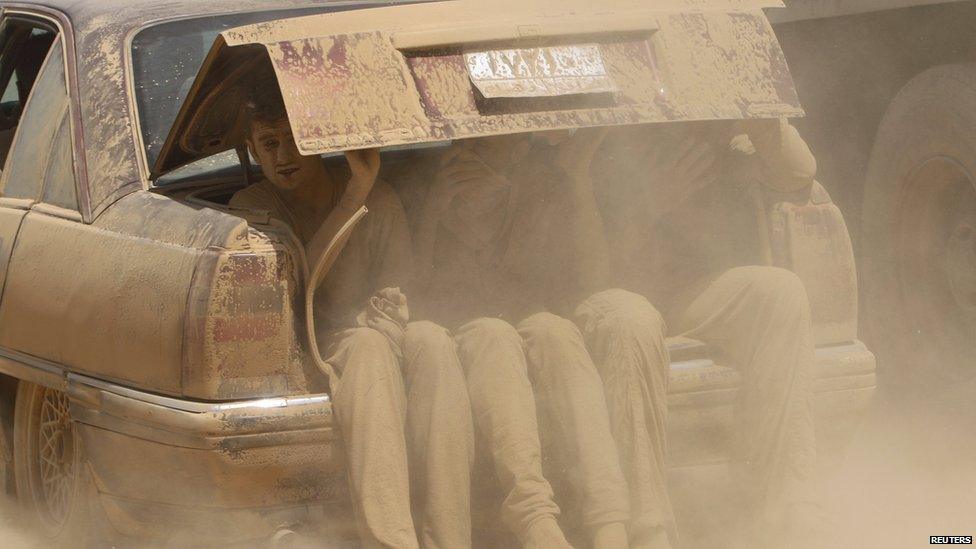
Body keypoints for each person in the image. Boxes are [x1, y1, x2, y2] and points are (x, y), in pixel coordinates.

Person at [230, 82, 474, 549]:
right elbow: (299, 287)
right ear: (253, 150)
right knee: (365, 348)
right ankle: (392, 540)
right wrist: (352, 197)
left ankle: (450, 539)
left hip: (375, 338)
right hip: (313, 347)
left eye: (296, 139)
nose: (284, 155)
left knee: (433, 341)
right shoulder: (254, 207)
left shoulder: (378, 200)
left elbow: (400, 285)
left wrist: (390, 307)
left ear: (319, 142)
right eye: (269, 143)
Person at [413, 131, 673, 549]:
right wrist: (436, 211)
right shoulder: (433, 189)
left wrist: (510, 199)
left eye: (482, 145)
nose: (464, 154)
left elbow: (573, 281)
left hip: (536, 321)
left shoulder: (541, 185)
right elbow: (416, 291)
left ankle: (612, 525)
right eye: (460, 144)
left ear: (518, 147)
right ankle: (537, 525)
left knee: (556, 333)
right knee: (494, 337)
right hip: (469, 332)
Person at [595, 118, 819, 544]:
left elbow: (800, 171)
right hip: (615, 294)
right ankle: (648, 524)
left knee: (781, 291)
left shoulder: (721, 136)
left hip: (689, 295)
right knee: (632, 318)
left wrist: (758, 114)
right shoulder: (601, 138)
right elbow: (590, 261)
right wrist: (649, 205)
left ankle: (789, 505)